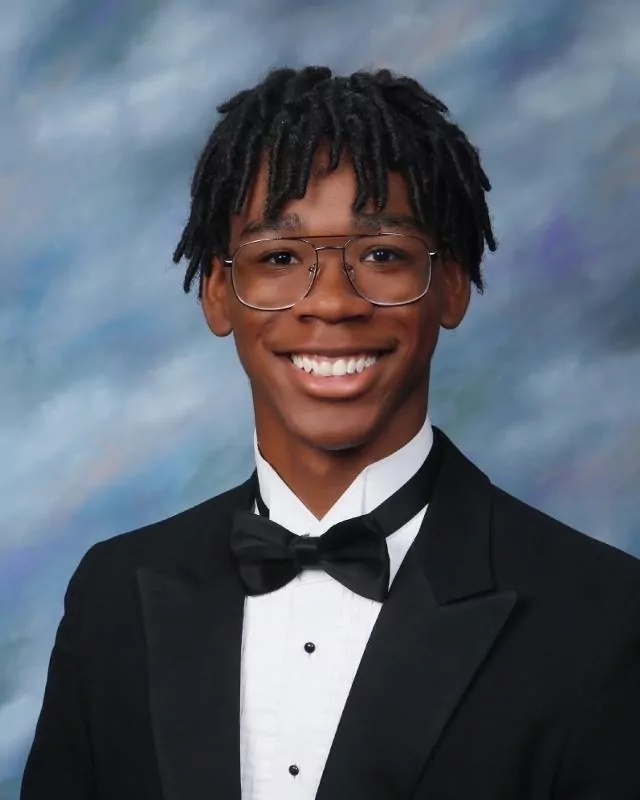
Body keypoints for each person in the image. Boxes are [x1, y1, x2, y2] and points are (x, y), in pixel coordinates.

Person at [21, 66, 640, 800]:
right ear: (218, 292)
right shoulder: (113, 596)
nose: (334, 303)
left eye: (382, 255)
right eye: (280, 258)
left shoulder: (605, 618)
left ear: (451, 285)